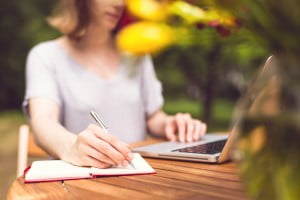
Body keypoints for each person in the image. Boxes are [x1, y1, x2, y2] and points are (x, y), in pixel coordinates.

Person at [23, 0, 207, 169]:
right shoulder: (45, 56)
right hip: (78, 183)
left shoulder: (135, 51)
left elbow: (153, 117)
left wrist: (171, 124)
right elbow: (43, 121)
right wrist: (72, 147)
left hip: (135, 176)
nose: (119, 3)